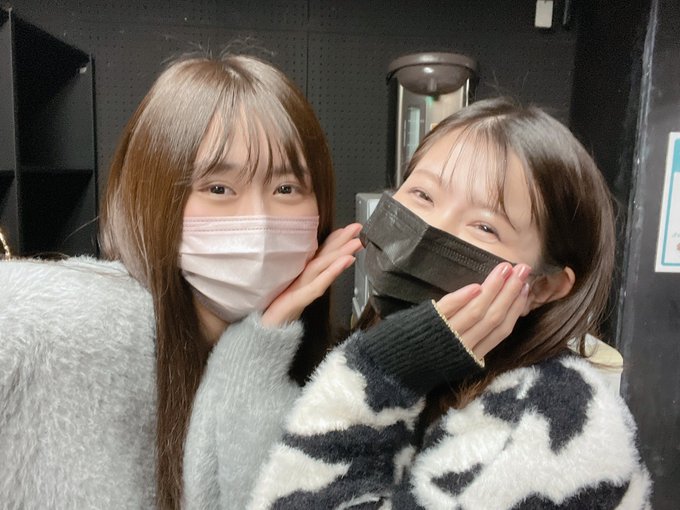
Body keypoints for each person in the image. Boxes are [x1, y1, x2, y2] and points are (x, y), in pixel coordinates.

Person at [247, 98, 652, 509]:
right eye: (422, 195)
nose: (431, 228)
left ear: (542, 286)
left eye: (485, 227)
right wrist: (265, 342)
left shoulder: (549, 421)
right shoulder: (407, 361)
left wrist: (380, 370)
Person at [0, 54, 361, 509]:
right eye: (218, 188)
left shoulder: (307, 370)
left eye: (285, 189)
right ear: (152, 194)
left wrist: (259, 347)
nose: (260, 221)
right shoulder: (48, 323)